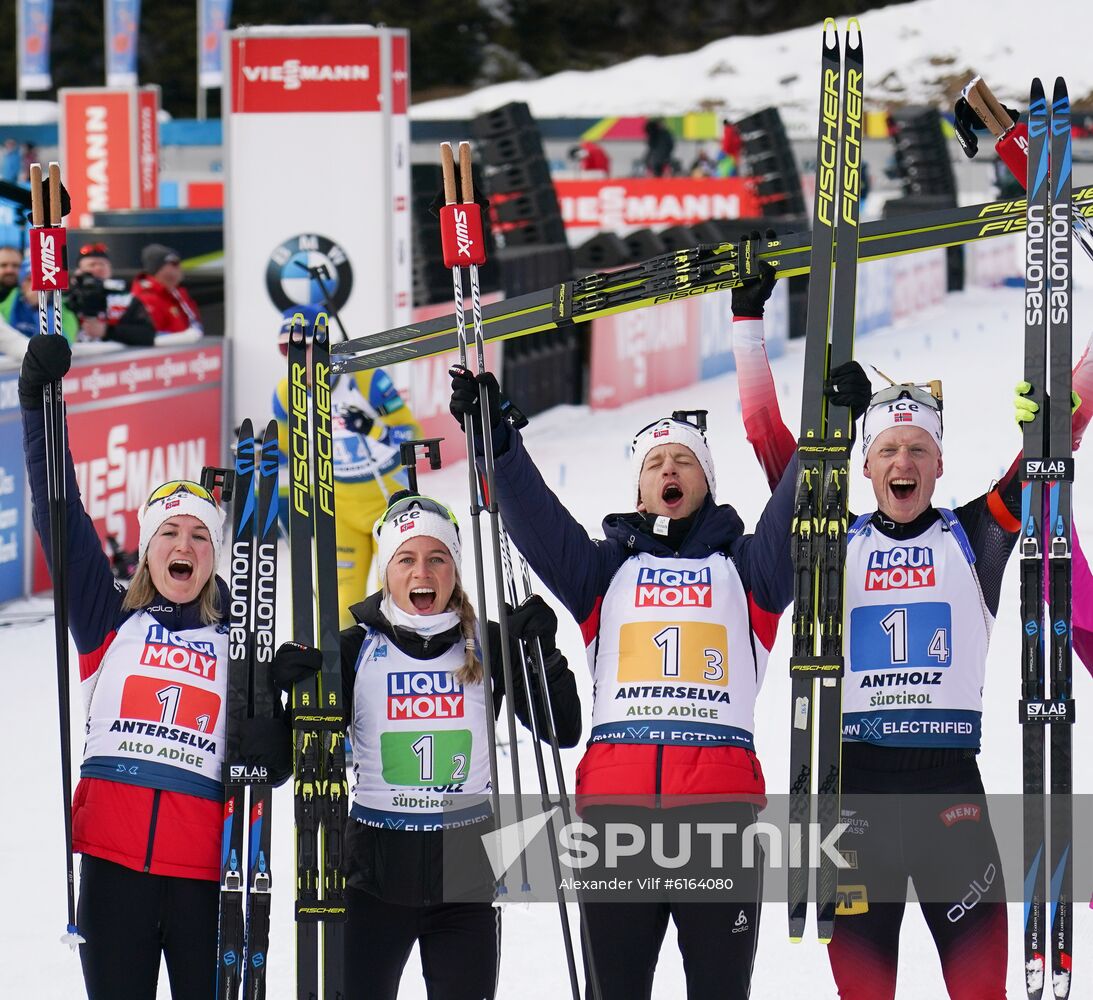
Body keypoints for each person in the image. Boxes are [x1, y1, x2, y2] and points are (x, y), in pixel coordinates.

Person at [447, 272, 831, 998]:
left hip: (717, 814)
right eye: (655, 463)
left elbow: (795, 506)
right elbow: (536, 522)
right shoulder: (602, 574)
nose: (668, 469)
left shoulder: (748, 570)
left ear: (705, 482)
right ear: (638, 490)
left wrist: (827, 435)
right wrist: (495, 441)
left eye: (682, 459)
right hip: (615, 817)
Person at [729, 268, 1093, 1000]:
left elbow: (1062, 432)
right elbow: (769, 438)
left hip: (949, 795)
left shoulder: (975, 535)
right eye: (888, 450)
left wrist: (1054, 412)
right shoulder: (825, 535)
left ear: (938, 465)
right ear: (862, 466)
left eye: (917, 451)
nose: (903, 462)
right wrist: (746, 322)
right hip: (851, 795)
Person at [19, 333, 292, 1000]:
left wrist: (278, 708)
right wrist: (38, 405)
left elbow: (269, 769)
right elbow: (60, 512)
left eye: (201, 535)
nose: (185, 544)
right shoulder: (107, 618)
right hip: (112, 874)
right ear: (146, 551)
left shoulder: (239, 638)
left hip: (207, 878)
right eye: (169, 532)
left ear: (215, 555)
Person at [272, 490, 582, 1000]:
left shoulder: (488, 643)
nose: (423, 573)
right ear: (386, 570)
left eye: (438, 558)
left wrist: (542, 654)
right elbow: (291, 761)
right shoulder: (353, 649)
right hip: (374, 872)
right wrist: (288, 695)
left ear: (455, 569)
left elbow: (562, 728)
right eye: (407, 559)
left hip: (466, 871)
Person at [272, 305, 423, 627]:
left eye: (305, 347)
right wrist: (262, 451)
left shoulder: (366, 377)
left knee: (394, 597)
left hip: (388, 500)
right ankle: (339, 673)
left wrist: (374, 429)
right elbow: (286, 450)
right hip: (339, 504)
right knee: (340, 604)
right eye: (288, 349)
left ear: (325, 344)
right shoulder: (287, 393)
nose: (297, 358)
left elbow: (413, 435)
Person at [70, 243, 157, 347]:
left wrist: (107, 331)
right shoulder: (67, 297)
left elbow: (147, 335)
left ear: (110, 269)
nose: (98, 268)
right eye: (92, 265)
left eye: (102, 264)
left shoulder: (127, 298)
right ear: (79, 271)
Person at [1, 257, 77, 363]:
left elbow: (58, 348)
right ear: (21, 284)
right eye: (29, 280)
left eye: (41, 280)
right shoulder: (6, 307)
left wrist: (42, 308)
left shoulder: (65, 312)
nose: (35, 286)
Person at [131, 243, 203, 337]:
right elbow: (150, 336)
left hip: (190, 348)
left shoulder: (179, 295)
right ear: (159, 269)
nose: (179, 267)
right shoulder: (146, 299)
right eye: (174, 263)